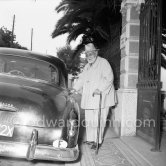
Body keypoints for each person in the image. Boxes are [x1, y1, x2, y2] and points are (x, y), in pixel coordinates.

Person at [72, 43, 117, 149]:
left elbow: (109, 78)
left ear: (96, 53)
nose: (89, 56)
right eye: (87, 54)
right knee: (90, 119)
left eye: (91, 53)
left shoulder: (103, 62)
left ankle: (98, 141)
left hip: (102, 97)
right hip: (90, 98)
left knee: (99, 120)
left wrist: (100, 89)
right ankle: (91, 139)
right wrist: (75, 88)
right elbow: (81, 79)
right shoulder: (87, 66)